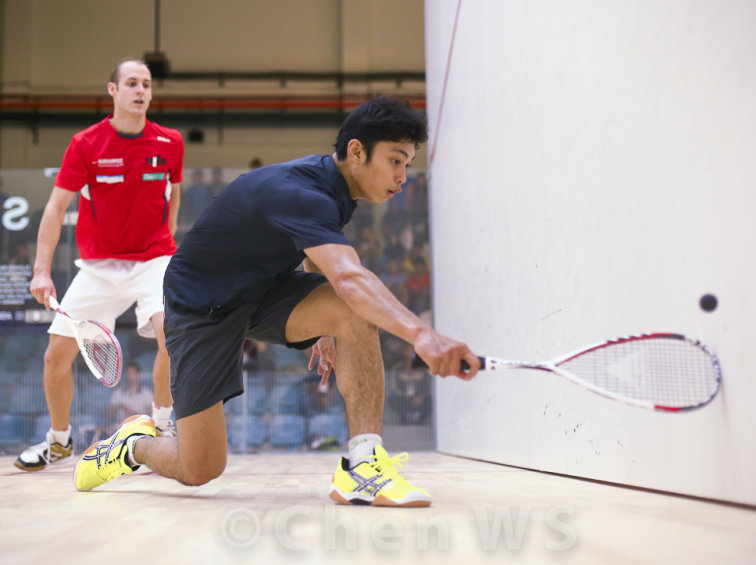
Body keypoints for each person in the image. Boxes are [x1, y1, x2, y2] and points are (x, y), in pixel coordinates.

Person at [72, 97, 479, 507]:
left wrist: (327, 323)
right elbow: (349, 276)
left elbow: (320, 259)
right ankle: (132, 444)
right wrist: (423, 336)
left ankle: (363, 465)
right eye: (395, 160)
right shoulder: (303, 193)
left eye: (407, 164)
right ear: (357, 151)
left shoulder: (336, 189)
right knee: (200, 469)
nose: (403, 176)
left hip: (266, 290)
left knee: (352, 314)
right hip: (201, 308)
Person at [14, 58, 183, 472]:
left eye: (146, 84)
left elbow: (173, 193)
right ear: (113, 91)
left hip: (152, 260)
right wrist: (41, 270)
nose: (141, 91)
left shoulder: (170, 142)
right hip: (98, 267)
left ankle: (161, 428)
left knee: (171, 335)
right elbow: (55, 210)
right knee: (55, 357)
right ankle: (58, 441)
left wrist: (169, 245)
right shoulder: (86, 144)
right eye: (131, 83)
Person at [105, 363, 154, 430]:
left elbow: (151, 417)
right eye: (127, 373)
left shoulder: (146, 394)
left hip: (139, 428)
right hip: (118, 429)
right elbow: (107, 416)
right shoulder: (118, 393)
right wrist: (118, 406)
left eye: (132, 373)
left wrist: (131, 413)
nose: (129, 376)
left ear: (138, 375)